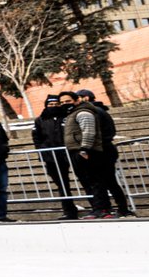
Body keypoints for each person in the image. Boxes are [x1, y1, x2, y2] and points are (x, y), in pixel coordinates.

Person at [66, 89, 134, 218]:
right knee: (107, 182)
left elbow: (92, 132)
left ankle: (113, 209)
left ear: (84, 98)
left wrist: (86, 148)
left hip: (101, 150)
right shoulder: (96, 110)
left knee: (104, 182)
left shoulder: (92, 112)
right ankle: (115, 209)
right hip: (102, 149)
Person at [31, 93, 82, 221]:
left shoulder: (67, 116)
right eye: (50, 104)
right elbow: (37, 137)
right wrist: (43, 151)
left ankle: (97, 206)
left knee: (84, 178)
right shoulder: (40, 120)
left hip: (71, 153)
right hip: (52, 157)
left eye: (56, 104)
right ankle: (69, 211)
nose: (53, 106)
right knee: (62, 185)